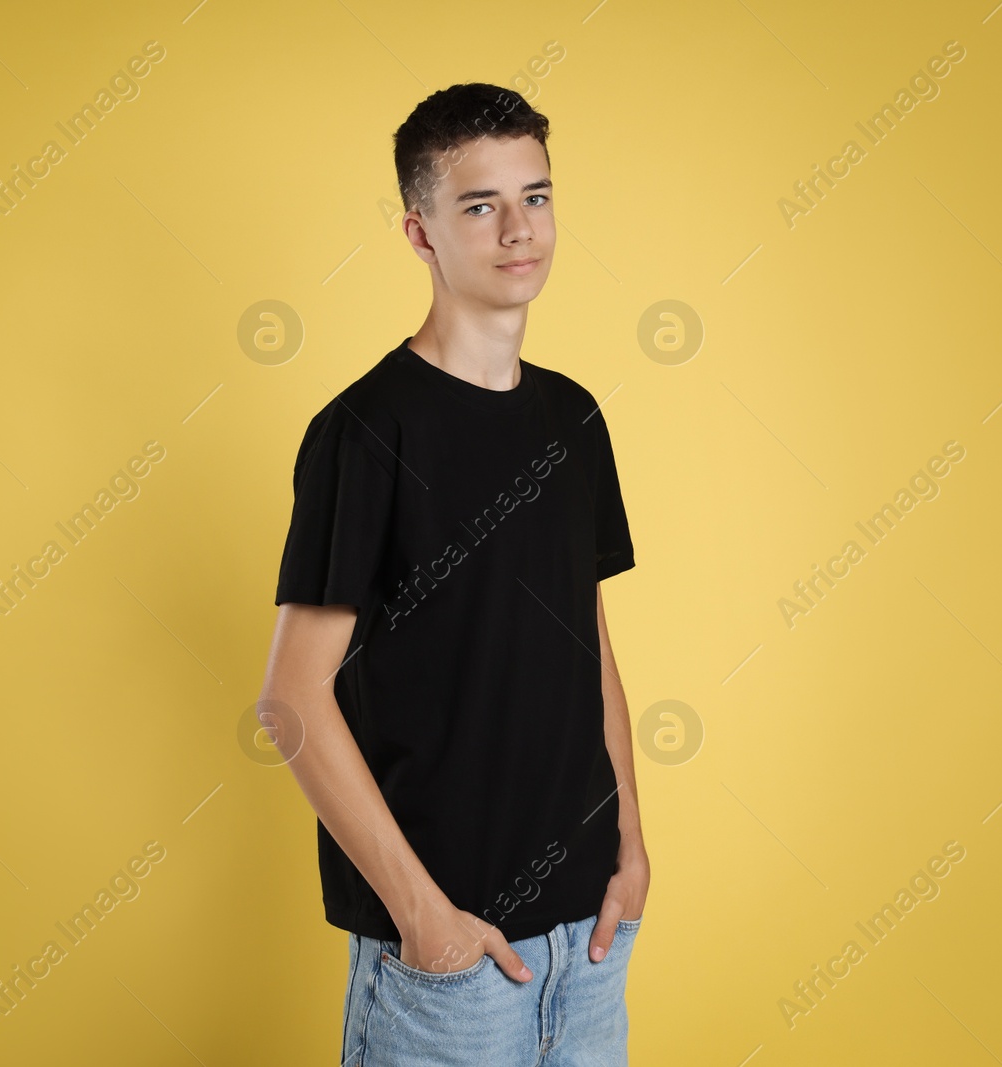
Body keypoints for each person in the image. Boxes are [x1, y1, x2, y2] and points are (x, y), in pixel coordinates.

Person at [259, 82, 648, 1066]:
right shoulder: (366, 432)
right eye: (480, 205)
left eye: (537, 196)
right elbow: (291, 696)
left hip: (591, 943)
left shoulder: (574, 419)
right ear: (420, 231)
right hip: (447, 961)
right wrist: (423, 916)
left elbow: (586, 641)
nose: (519, 230)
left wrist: (629, 851)